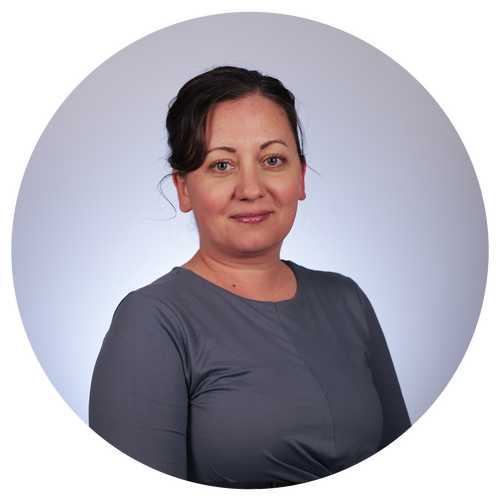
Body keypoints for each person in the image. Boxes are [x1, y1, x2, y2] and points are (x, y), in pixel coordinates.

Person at [89, 66, 410, 489]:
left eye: (272, 160)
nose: (251, 188)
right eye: (221, 164)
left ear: (300, 176)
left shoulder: (346, 299)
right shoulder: (152, 321)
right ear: (184, 188)